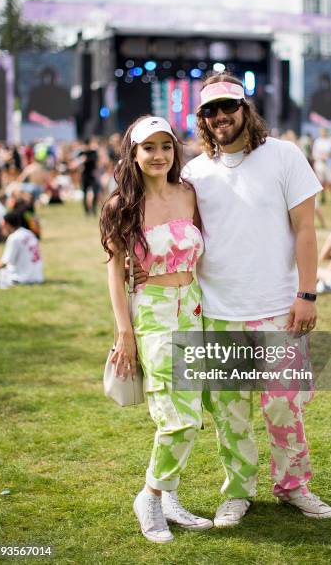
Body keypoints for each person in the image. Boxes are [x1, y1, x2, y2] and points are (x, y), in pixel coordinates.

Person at [134, 74, 331, 522]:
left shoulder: (284, 156)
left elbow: (306, 229)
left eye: (228, 107)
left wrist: (307, 292)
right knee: (231, 414)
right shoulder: (191, 173)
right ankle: (238, 492)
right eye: (209, 111)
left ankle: (294, 486)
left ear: (245, 108)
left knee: (285, 405)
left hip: (279, 309)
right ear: (202, 119)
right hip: (217, 313)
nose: (220, 117)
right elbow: (159, 215)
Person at [99, 116, 213, 544]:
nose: (159, 155)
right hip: (154, 314)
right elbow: (114, 276)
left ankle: (169, 497)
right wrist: (124, 333)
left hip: (193, 309)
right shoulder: (121, 207)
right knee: (176, 419)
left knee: (190, 413)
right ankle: (149, 496)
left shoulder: (189, 194)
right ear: (133, 153)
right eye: (149, 148)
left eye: (166, 147)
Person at [0, 210, 43, 289]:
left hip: (22, 278)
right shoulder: (28, 233)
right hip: (37, 276)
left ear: (7, 224)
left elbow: (4, 263)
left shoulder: (14, 238)